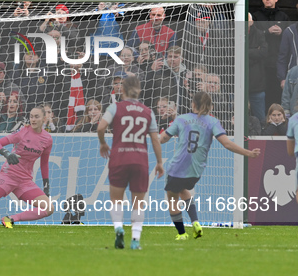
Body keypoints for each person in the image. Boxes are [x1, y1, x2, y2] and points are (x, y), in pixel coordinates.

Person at [159, 91, 260, 240]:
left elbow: (163, 139)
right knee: (183, 190)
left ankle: (182, 234)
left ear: (192, 104)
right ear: (210, 106)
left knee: (172, 198)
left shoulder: (181, 119)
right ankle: (196, 223)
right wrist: (248, 153)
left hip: (178, 166)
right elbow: (227, 144)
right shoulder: (213, 122)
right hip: (196, 170)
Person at [97, 75, 164, 250]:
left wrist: (103, 143)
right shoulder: (148, 111)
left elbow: (100, 127)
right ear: (140, 90)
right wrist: (159, 162)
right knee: (138, 202)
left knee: (116, 200)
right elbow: (155, 140)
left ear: (123, 90)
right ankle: (135, 239)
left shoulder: (115, 107)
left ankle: (119, 228)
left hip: (119, 158)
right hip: (140, 160)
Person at [252, 0, 289, 109]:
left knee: (278, 93)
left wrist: (282, 32)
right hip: (260, 63)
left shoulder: (283, 17)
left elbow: (291, 36)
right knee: (262, 94)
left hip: (278, 62)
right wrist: (266, 32)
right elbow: (251, 36)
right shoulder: (255, 16)